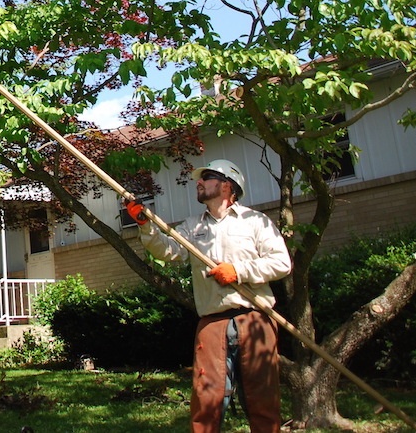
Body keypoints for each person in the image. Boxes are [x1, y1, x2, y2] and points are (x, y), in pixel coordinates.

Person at [124, 159, 292, 433]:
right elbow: (166, 250)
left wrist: (238, 271)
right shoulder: (192, 227)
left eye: (207, 177)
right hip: (213, 323)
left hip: (255, 319)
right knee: (206, 400)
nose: (199, 182)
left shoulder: (255, 222)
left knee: (262, 399)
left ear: (227, 186)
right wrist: (145, 224)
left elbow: (282, 263)